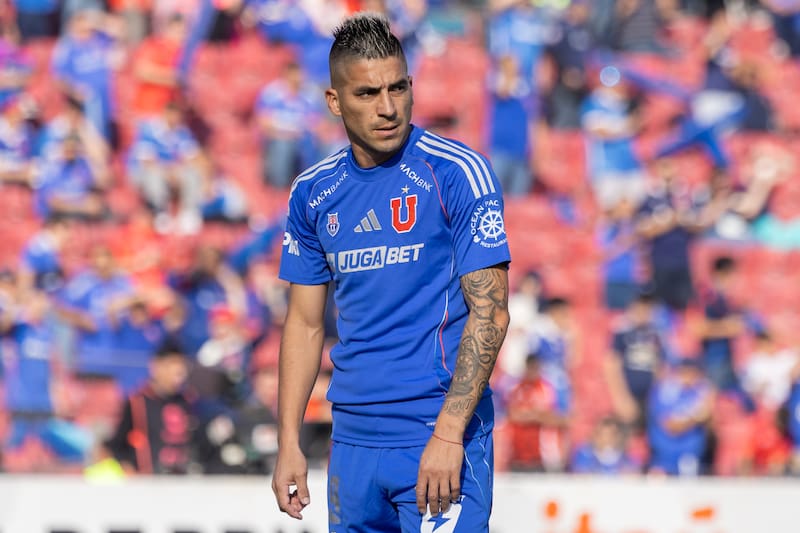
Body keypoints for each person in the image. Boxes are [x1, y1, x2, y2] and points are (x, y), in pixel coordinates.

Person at [271, 13, 510, 532]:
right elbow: (305, 324)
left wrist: (449, 433)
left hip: (437, 436)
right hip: (353, 444)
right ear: (334, 101)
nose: (387, 107)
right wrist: (288, 439)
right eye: (367, 93)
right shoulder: (312, 192)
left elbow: (490, 313)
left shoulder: (455, 172)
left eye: (397, 88)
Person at [102, 338, 197, 474]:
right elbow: (116, 445)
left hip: (183, 481)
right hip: (147, 482)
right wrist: (126, 465)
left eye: (181, 366)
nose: (179, 373)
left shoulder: (188, 401)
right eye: (172, 365)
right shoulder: (137, 402)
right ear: (156, 366)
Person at [604, 291, 667, 431]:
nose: (644, 312)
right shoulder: (622, 332)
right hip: (628, 394)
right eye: (641, 307)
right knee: (627, 437)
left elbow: (659, 365)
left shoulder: (655, 334)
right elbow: (612, 364)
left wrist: (655, 396)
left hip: (649, 397)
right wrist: (621, 398)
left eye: (648, 308)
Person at [647, 358, 714, 476]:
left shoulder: (702, 390)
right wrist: (694, 418)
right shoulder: (665, 391)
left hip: (691, 460)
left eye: (693, 373)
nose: (689, 377)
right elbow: (671, 426)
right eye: (684, 372)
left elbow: (709, 416)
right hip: (663, 460)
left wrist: (696, 417)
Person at [506, 353, 569, 472]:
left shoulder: (549, 389)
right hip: (518, 455)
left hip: (544, 455)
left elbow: (562, 418)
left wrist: (533, 416)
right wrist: (536, 415)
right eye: (530, 367)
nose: (532, 371)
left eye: (535, 367)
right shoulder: (516, 388)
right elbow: (511, 415)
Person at [571, 416, 639, 474]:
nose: (605, 439)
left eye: (610, 435)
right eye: (601, 434)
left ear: (617, 437)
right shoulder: (584, 455)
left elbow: (634, 474)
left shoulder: (626, 460)